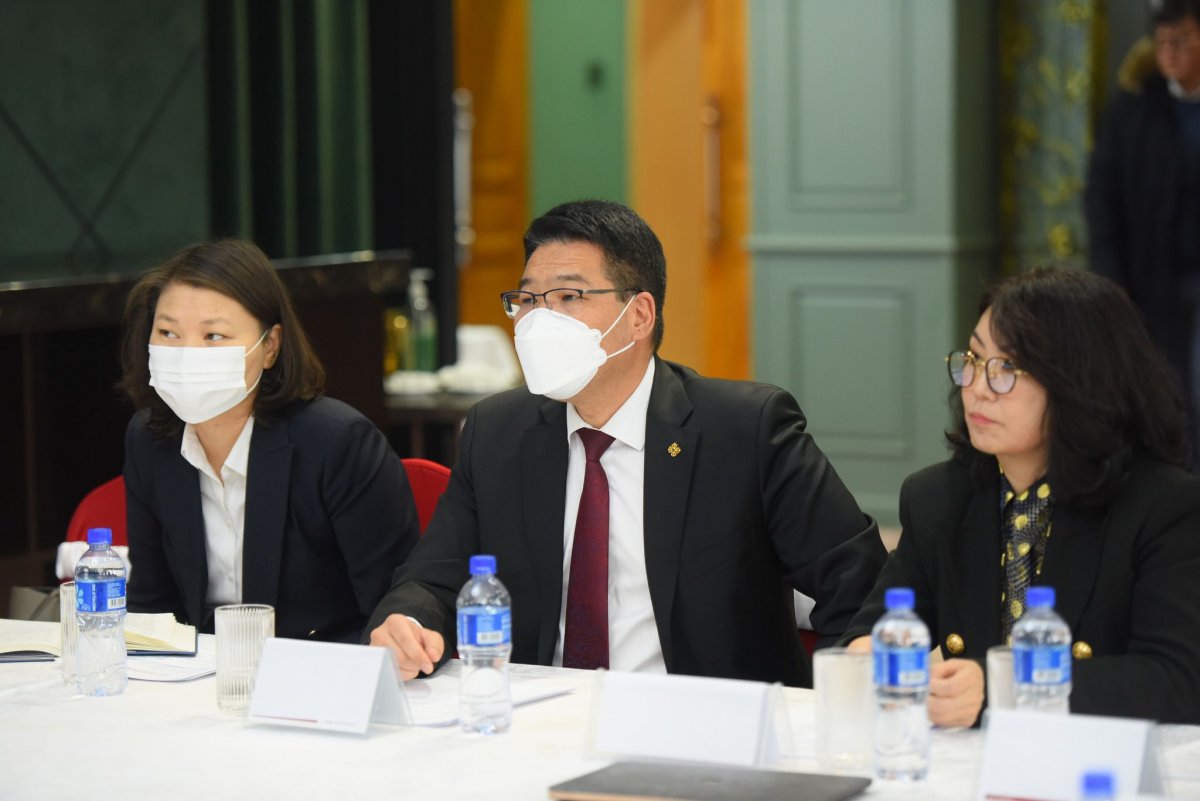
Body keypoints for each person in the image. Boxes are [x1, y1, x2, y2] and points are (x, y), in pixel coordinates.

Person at [366, 199, 885, 686]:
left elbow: (861, 589)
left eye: (569, 297)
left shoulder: (745, 430)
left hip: (702, 724)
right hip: (540, 720)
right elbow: (434, 577)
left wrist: (841, 697)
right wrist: (407, 620)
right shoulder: (498, 431)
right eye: (527, 299)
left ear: (639, 316)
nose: (537, 321)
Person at [842, 267, 1200, 726]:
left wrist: (1002, 688)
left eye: (1007, 368)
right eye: (974, 359)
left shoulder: (1163, 506)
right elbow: (873, 628)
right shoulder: (940, 498)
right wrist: (867, 654)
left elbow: (1176, 681)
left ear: (1080, 384)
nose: (977, 388)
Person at [120, 239, 420, 642]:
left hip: (321, 665)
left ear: (270, 347)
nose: (188, 354)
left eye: (214, 336)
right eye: (168, 332)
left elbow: (394, 613)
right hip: (200, 671)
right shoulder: (150, 439)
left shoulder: (338, 443)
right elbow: (151, 605)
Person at [1085, 0, 1200, 465]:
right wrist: (1111, 275)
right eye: (1163, 42)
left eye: (1183, 41)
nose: (1170, 52)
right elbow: (1102, 197)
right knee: (1169, 392)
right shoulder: (1135, 108)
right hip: (1155, 279)